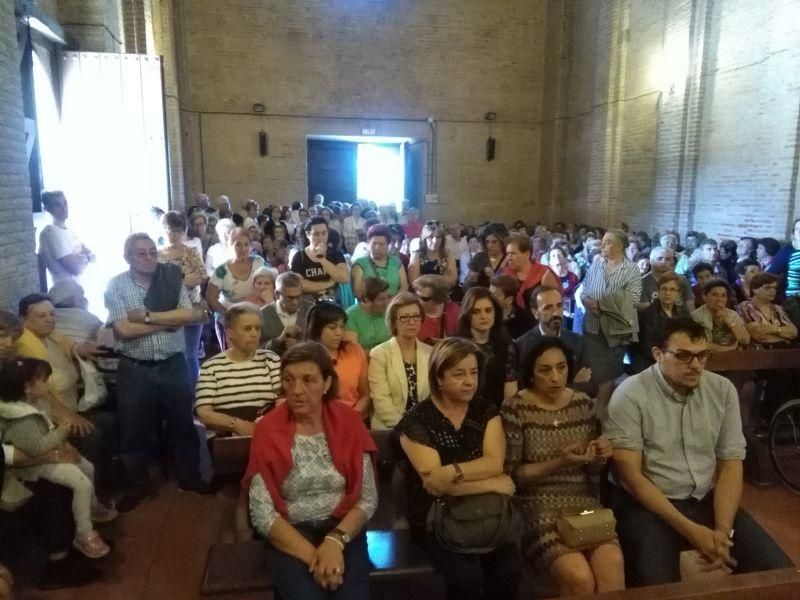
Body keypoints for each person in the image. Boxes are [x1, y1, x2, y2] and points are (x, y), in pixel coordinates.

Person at [603, 318, 792, 586]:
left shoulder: (721, 389)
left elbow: (730, 463)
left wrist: (723, 531)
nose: (696, 365)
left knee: (780, 574)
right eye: (683, 356)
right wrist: (693, 532)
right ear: (658, 354)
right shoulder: (630, 395)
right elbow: (631, 478)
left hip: (702, 496)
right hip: (648, 503)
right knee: (658, 586)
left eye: (702, 355)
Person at [243, 342, 377, 599]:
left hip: (343, 527)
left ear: (327, 383)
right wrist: (317, 557)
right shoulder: (268, 430)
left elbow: (367, 498)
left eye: (308, 380)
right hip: (290, 532)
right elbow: (262, 513)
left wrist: (334, 541)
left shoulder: (348, 421)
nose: (297, 390)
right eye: (289, 380)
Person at [396, 338, 523, 600]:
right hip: (436, 514)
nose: (469, 381)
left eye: (474, 373)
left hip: (485, 509)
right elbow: (434, 484)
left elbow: (494, 462)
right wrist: (490, 483)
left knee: (510, 569)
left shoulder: (485, 409)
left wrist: (451, 471)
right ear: (439, 378)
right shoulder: (416, 420)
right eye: (459, 374)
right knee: (466, 578)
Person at [502, 338, 624, 595]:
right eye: (545, 370)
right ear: (531, 373)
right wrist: (560, 462)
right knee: (578, 577)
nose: (555, 377)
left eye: (561, 368)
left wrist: (599, 455)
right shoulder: (516, 408)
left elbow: (592, 471)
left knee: (611, 565)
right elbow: (514, 477)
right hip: (536, 504)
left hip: (583, 502)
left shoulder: (581, 403)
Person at [105, 233, 210, 499]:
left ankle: (190, 477)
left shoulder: (170, 278)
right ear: (127, 257)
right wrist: (169, 321)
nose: (150, 257)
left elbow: (189, 315)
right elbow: (124, 330)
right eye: (142, 253)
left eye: (153, 251)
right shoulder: (117, 286)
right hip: (135, 367)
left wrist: (148, 317)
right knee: (134, 430)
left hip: (173, 364)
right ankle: (138, 485)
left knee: (183, 424)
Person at [0, 358, 116, 558]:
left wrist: (64, 444)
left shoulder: (32, 405)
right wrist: (62, 432)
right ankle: (84, 533)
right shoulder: (20, 417)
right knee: (82, 484)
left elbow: (45, 430)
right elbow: (36, 448)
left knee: (87, 467)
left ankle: (92, 507)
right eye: (44, 381)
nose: (48, 385)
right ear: (27, 387)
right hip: (34, 466)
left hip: (46, 453)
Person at [580, 229, 642, 414]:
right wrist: (587, 301)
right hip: (592, 328)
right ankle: (592, 412)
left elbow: (634, 299)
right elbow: (584, 289)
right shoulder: (597, 264)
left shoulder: (630, 269)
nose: (602, 245)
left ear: (621, 246)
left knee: (606, 377)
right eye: (603, 241)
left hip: (615, 332)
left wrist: (603, 304)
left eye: (608, 242)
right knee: (592, 374)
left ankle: (601, 415)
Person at [195, 303, 281, 436]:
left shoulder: (271, 360)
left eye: (257, 328)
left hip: (269, 432)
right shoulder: (211, 367)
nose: (254, 334)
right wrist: (238, 425)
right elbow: (203, 413)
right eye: (247, 329)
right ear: (230, 333)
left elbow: (282, 402)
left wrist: (263, 426)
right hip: (228, 437)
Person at [368, 293, 432, 430]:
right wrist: (408, 429)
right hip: (390, 429)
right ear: (393, 321)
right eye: (404, 317)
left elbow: (434, 398)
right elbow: (381, 400)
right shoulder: (379, 354)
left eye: (416, 316)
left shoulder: (431, 353)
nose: (411, 322)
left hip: (425, 426)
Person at [159, 211, 208, 386]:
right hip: (168, 309)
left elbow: (202, 276)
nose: (174, 234)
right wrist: (185, 279)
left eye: (178, 230)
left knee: (190, 355)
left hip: (192, 306)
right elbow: (158, 283)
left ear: (185, 230)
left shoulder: (192, 251)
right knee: (171, 354)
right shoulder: (158, 255)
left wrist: (176, 280)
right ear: (163, 230)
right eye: (170, 230)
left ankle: (193, 396)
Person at [514, 286, 591, 387]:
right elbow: (523, 388)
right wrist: (573, 385)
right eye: (548, 308)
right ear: (535, 313)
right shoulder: (522, 346)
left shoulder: (578, 342)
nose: (556, 313)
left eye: (559, 306)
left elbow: (591, 387)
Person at [304, 303, 370, 418]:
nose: (339, 333)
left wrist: (354, 415)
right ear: (316, 328)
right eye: (332, 327)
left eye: (342, 327)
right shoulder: (304, 357)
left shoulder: (354, 350)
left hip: (354, 418)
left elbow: (365, 396)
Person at [456, 287, 518, 409]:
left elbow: (511, 394)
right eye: (476, 311)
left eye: (488, 310)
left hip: (497, 413)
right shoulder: (456, 346)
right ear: (468, 315)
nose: (483, 316)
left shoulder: (506, 345)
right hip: (461, 412)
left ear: (495, 313)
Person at [635, 273, 691, 373]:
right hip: (654, 362)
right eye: (664, 289)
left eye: (672, 289)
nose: (667, 293)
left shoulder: (683, 313)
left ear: (679, 293)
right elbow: (647, 347)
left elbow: (689, 337)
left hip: (680, 358)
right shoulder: (646, 315)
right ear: (658, 291)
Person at [38, 191, 94, 283]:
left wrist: (83, 258)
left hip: (76, 288)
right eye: (57, 205)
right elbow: (76, 269)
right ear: (47, 209)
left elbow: (93, 256)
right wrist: (87, 258)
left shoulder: (70, 230)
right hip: (64, 291)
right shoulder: (51, 233)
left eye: (65, 203)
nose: (64, 208)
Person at [291, 217, 349, 302]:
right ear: (308, 235)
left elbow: (344, 278)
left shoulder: (336, 254)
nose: (321, 237)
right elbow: (300, 285)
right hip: (309, 304)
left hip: (333, 304)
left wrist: (322, 259)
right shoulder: (299, 257)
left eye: (324, 233)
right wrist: (329, 283)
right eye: (316, 234)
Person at [260, 272, 314, 356]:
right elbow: (256, 350)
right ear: (277, 295)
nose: (295, 302)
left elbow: (323, 343)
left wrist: (301, 345)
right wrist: (279, 340)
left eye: (298, 296)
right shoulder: (262, 315)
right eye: (290, 298)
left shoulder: (312, 310)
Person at [502, 233, 559, 311]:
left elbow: (555, 306)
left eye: (512, 253)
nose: (508, 258)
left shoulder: (543, 274)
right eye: (507, 254)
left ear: (527, 254)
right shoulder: (505, 274)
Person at [691, 279, 750, 352]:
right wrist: (729, 349)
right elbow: (700, 344)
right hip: (708, 357)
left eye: (723, 295)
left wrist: (730, 322)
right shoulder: (696, 316)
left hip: (734, 356)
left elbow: (745, 340)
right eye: (714, 295)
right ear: (705, 297)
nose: (719, 299)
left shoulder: (732, 314)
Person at [350, 224, 408, 298]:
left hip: (392, 305)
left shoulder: (396, 262)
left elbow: (404, 287)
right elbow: (357, 291)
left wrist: (390, 302)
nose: (377, 247)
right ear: (368, 243)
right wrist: (377, 303)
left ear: (388, 245)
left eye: (381, 244)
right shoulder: (360, 264)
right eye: (374, 243)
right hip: (368, 306)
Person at [640, 247, 694, 312]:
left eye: (667, 259)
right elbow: (646, 313)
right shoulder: (641, 283)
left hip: (681, 320)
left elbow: (690, 309)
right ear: (651, 261)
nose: (663, 262)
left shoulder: (682, 280)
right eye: (659, 258)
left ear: (672, 262)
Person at [408, 221, 458, 290]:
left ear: (442, 239)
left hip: (443, 295)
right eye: (431, 237)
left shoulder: (448, 255)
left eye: (438, 237)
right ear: (424, 239)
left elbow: (452, 281)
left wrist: (425, 277)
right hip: (422, 295)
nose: (435, 241)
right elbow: (414, 282)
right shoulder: (416, 255)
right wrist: (442, 278)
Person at [344, 277, 391, 352]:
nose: (387, 303)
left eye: (388, 297)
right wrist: (381, 355)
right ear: (367, 300)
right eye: (381, 299)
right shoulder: (351, 316)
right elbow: (352, 351)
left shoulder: (389, 311)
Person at [413, 274, 460, 344]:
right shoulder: (412, 313)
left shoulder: (455, 311)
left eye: (424, 298)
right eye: (417, 296)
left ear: (438, 298)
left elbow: (464, 340)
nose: (419, 301)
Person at [489, 275, 535, 339]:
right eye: (489, 293)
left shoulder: (526, 321)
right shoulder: (485, 315)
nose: (489, 298)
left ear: (509, 300)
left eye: (495, 295)